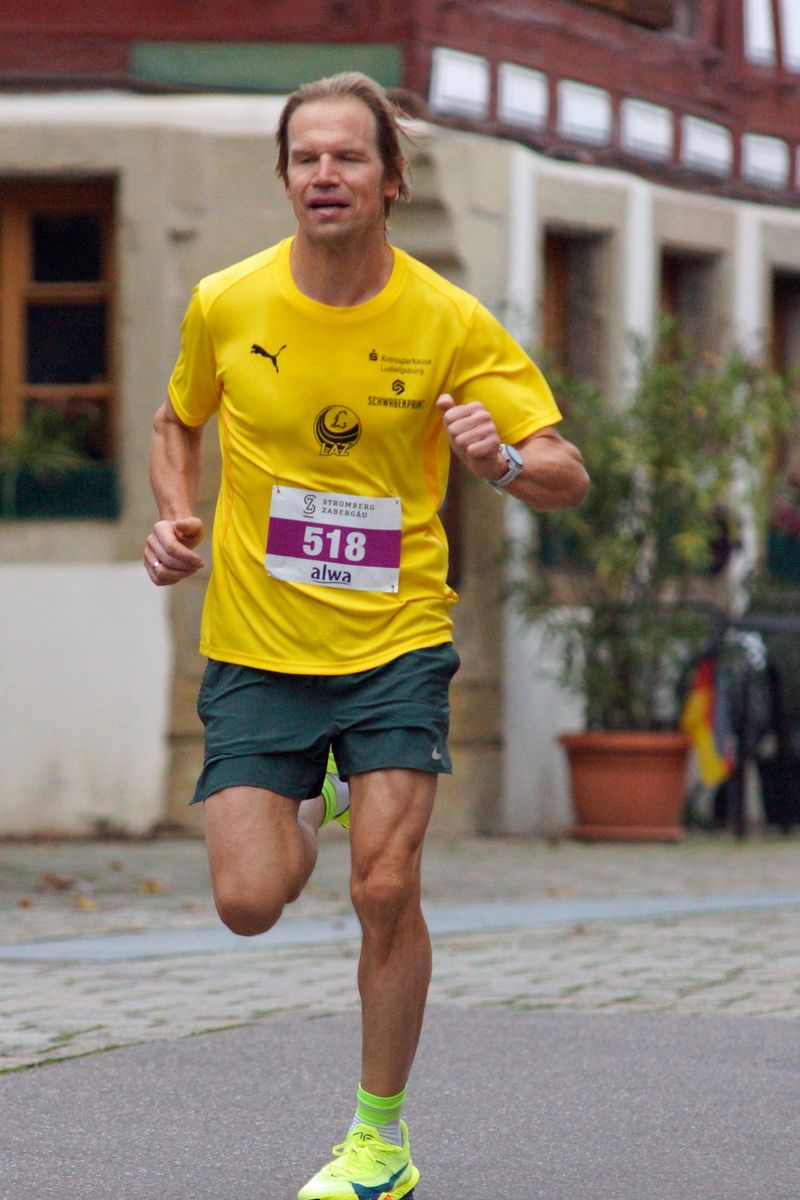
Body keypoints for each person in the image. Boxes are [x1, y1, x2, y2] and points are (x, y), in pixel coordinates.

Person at [144, 72, 588, 1200]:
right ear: (285, 177)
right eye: (306, 158)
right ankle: (318, 792)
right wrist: (175, 515)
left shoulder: (447, 320)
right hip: (257, 643)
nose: (325, 175)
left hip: (395, 639)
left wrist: (499, 460)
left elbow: (564, 472)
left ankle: (379, 1146)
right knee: (248, 902)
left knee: (385, 886)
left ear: (391, 180)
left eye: (348, 156)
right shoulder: (226, 302)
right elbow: (175, 420)